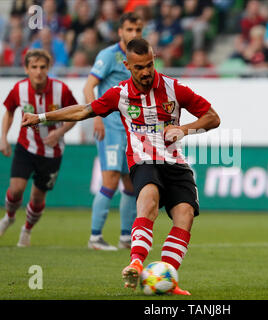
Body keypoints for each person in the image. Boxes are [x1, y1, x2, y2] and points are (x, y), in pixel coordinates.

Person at [22, 38, 221, 295]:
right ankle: (136, 263)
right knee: (148, 202)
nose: (147, 71)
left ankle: (167, 278)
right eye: (139, 67)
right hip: (143, 161)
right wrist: (40, 118)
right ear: (128, 65)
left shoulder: (174, 88)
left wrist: (183, 129)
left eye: (150, 64)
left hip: (175, 162)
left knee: (185, 216)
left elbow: (213, 118)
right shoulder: (120, 94)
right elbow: (83, 111)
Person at [0, 49, 77, 246]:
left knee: (36, 198)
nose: (38, 71)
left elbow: (75, 114)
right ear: (26, 69)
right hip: (26, 147)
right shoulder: (19, 89)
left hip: (52, 152)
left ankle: (27, 230)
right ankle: (8, 217)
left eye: (42, 67)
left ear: (48, 68)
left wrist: (59, 132)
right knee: (16, 190)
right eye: (34, 67)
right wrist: (3, 138)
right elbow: (8, 112)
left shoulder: (61, 89)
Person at [83, 12, 143, 251]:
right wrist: (96, 117)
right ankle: (95, 238)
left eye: (138, 30)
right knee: (110, 181)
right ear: (120, 31)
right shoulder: (109, 55)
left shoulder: (140, 56)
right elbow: (89, 86)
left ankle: (126, 236)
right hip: (111, 128)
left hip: (133, 131)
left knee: (130, 184)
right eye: (129, 30)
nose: (134, 35)